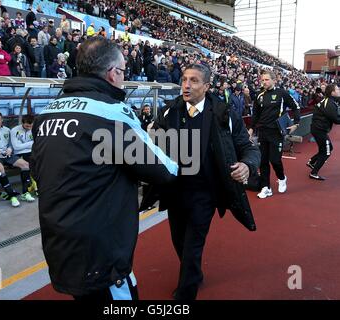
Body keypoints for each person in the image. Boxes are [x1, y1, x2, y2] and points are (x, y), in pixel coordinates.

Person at [30, 37, 178, 301]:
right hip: (99, 244)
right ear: (112, 73)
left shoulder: (47, 113)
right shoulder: (111, 112)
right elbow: (161, 169)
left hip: (58, 234)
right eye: (122, 71)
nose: (122, 78)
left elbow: (38, 169)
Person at [150, 64, 260, 300]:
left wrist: (247, 165)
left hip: (206, 193)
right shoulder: (171, 111)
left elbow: (248, 147)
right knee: (179, 241)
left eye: (194, 81)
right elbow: (154, 141)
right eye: (184, 79)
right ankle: (194, 274)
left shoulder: (224, 114)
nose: (186, 85)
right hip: (175, 191)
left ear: (207, 86)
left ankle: (186, 294)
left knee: (192, 245)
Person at [248, 71, 300, 199]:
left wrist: (296, 123)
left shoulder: (282, 94)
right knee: (263, 161)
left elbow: (296, 107)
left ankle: (282, 178)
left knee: (275, 160)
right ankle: (266, 187)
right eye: (262, 80)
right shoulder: (259, 96)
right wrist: (251, 129)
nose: (264, 82)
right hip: (263, 132)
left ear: (273, 80)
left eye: (266, 79)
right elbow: (255, 115)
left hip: (276, 133)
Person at [0, 112, 35, 207]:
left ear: (2, 120)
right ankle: (11, 195)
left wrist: (10, 149)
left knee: (25, 165)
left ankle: (25, 193)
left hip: (7, 155)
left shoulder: (7, 130)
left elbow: (11, 144)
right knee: (0, 168)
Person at [307, 84, 340, 180]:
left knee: (326, 149)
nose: (339, 90)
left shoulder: (329, 101)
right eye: (337, 89)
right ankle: (314, 173)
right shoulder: (329, 103)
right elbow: (336, 120)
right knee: (327, 151)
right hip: (319, 130)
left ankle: (312, 162)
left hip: (318, 129)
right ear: (332, 92)